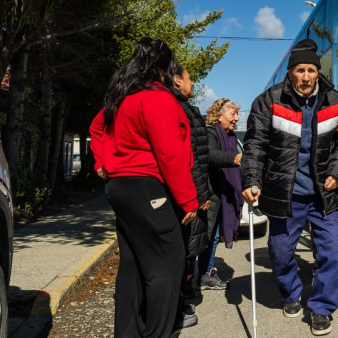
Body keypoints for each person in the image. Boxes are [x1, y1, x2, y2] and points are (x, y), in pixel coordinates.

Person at [241, 38, 338, 336]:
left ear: (318, 72)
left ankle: (322, 308)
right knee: (280, 252)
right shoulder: (268, 101)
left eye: (311, 70)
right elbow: (255, 144)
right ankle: (291, 292)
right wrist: (251, 179)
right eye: (300, 70)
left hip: (325, 194)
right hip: (285, 192)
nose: (306, 77)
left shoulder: (337, 101)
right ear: (290, 72)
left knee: (332, 253)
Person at [89, 37, 198, 338]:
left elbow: (96, 127)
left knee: (133, 264)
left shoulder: (121, 95)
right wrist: (188, 199)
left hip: (119, 188)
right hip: (147, 188)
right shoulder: (156, 97)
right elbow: (169, 153)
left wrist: (101, 162)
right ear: (164, 68)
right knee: (168, 263)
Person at [164, 62, 208, 330]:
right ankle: (177, 306)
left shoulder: (185, 107)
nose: (193, 83)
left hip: (190, 188)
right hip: (186, 191)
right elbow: (188, 156)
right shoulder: (177, 107)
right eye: (189, 78)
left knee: (187, 249)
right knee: (181, 250)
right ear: (177, 81)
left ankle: (181, 299)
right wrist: (200, 193)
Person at [196, 98, 244, 290]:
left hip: (222, 194)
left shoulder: (231, 137)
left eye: (237, 114)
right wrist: (234, 158)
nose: (236, 118)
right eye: (233, 114)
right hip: (209, 194)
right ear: (219, 115)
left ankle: (205, 273)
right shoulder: (210, 132)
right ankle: (197, 276)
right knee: (206, 236)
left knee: (213, 236)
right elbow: (212, 155)